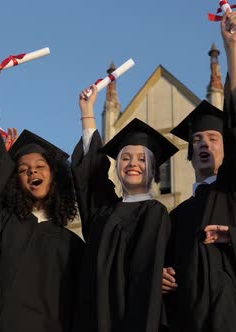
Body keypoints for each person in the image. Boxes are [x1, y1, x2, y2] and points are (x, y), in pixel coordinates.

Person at [0, 65, 84, 332]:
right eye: (22, 168)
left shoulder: (72, 245)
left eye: (41, 166)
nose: (32, 170)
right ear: (14, 181)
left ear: (55, 177)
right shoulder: (3, 222)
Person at [164, 11, 236, 332]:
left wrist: (232, 48)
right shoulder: (176, 217)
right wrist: (159, 276)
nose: (205, 144)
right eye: (198, 140)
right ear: (190, 155)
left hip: (230, 316)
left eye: (214, 138)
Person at [71, 85, 178, 332]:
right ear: (118, 166)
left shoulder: (154, 212)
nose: (133, 163)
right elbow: (90, 176)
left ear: (153, 170)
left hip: (130, 318)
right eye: (126, 157)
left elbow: (145, 278)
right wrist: (87, 111)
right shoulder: (103, 211)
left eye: (142, 159)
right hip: (92, 316)